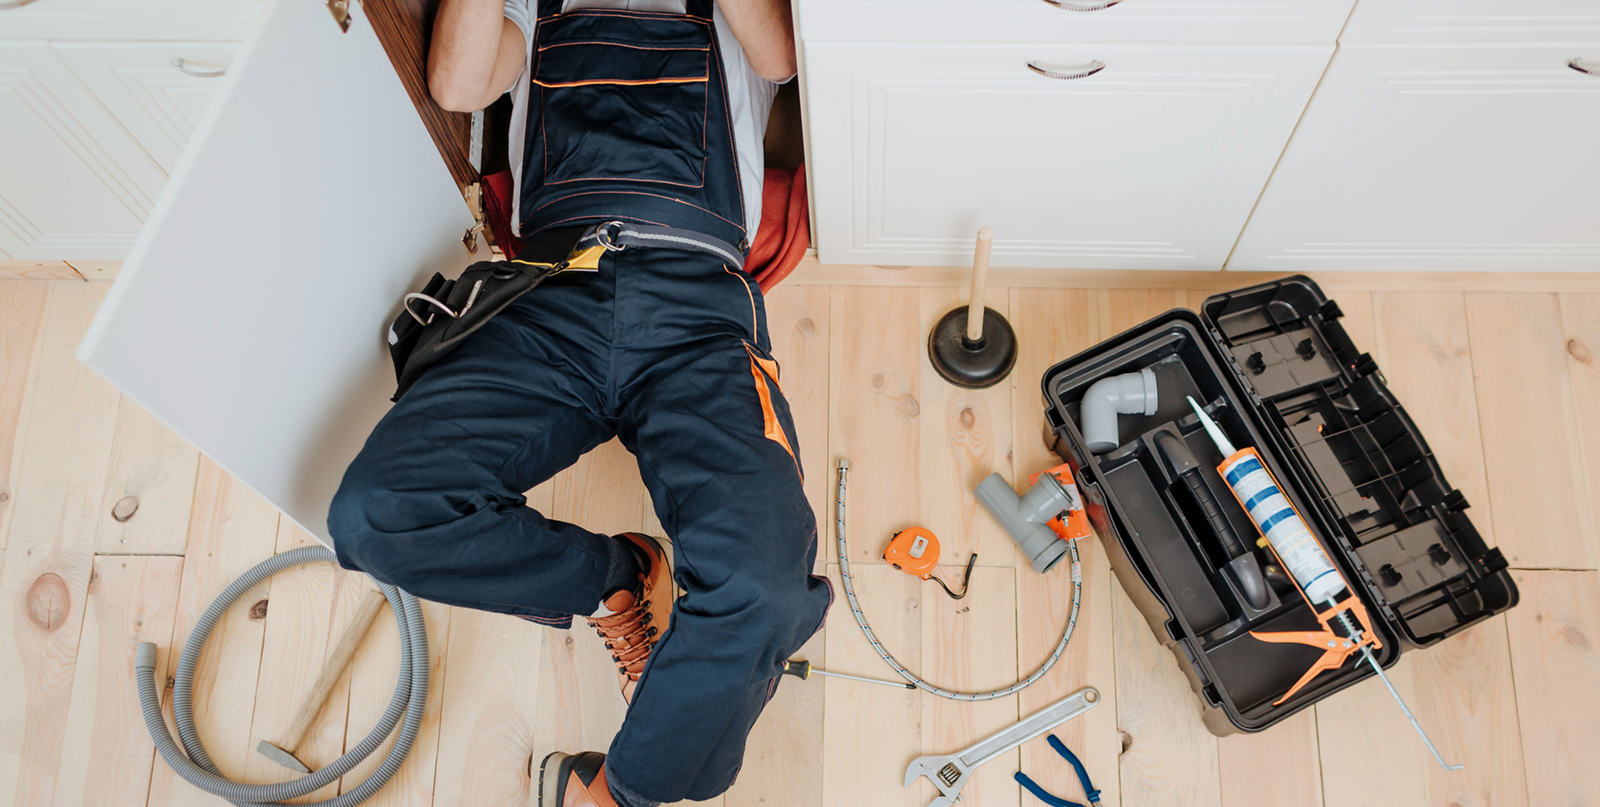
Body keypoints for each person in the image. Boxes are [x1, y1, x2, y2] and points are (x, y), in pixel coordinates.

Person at [325, 0, 832, 804]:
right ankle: (616, 578)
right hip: (550, 297)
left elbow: (779, 58)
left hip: (697, 309)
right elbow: (458, 85)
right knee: (377, 515)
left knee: (765, 585)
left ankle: (619, 794)